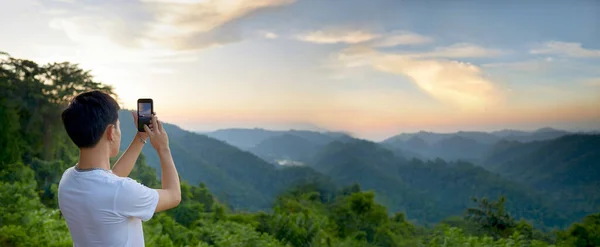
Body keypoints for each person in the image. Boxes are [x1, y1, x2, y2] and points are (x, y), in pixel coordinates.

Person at [58, 91, 181, 247]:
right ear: (111, 132)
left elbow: (110, 180)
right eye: (118, 126)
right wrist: (163, 148)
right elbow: (174, 195)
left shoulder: (67, 180)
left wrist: (141, 137)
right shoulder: (122, 191)